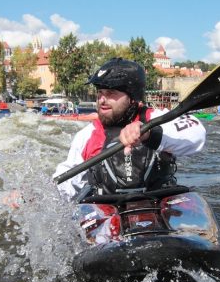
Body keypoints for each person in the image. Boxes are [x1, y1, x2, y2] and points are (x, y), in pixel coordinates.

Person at [55, 58, 206, 200]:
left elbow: (197, 135)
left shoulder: (155, 118)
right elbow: (68, 183)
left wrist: (149, 133)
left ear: (133, 97)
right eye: (99, 93)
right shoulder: (86, 136)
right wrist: (50, 194)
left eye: (111, 93)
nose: (102, 100)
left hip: (160, 204)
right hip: (108, 212)